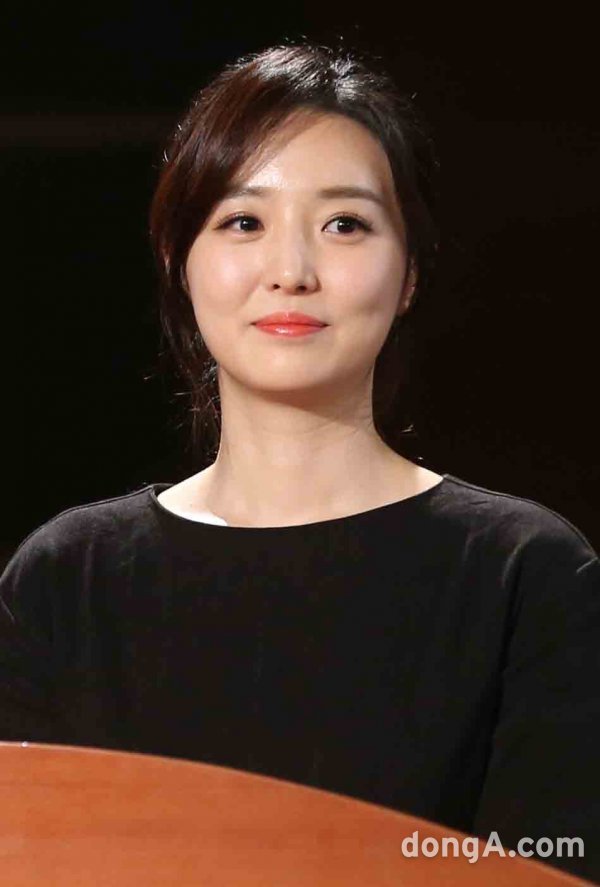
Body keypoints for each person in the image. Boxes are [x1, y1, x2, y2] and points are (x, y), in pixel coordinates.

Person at [1, 41, 599, 882]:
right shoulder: (67, 581)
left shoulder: (525, 576)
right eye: (244, 222)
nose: (291, 272)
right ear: (178, 260)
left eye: (344, 224)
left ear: (410, 272)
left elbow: (550, 864)